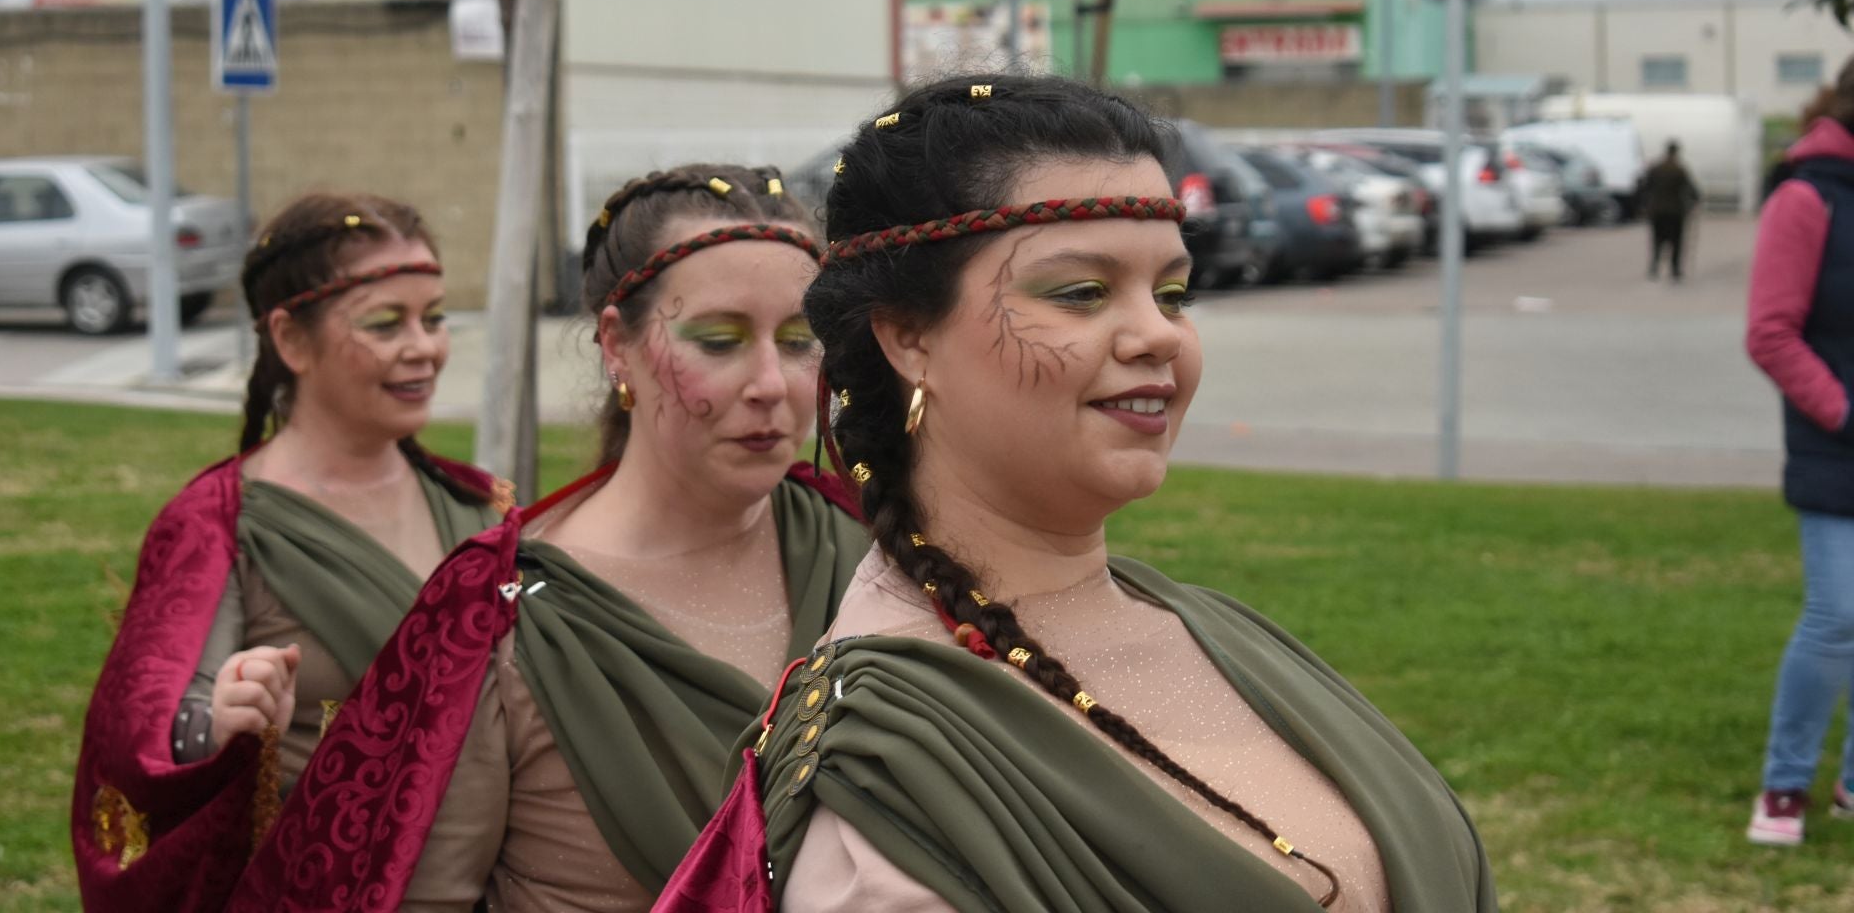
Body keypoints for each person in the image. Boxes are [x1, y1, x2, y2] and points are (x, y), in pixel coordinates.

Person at [655, 76, 1494, 913]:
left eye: (1173, 293)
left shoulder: (1208, 627)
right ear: (909, 336)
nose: (1159, 334)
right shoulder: (892, 786)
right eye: (1082, 292)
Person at [227, 164, 869, 913]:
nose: (772, 382)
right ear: (616, 347)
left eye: (799, 341)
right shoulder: (498, 619)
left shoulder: (871, 553)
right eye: (719, 340)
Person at [72, 193, 512, 912]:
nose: (424, 347)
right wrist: (222, 719)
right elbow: (147, 742)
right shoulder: (221, 523)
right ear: (291, 340)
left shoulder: (480, 507)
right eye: (385, 322)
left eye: (433, 318)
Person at [1747, 57, 1854, 845]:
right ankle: (1784, 786)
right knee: (1838, 614)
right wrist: (1844, 412)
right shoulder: (1805, 196)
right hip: (1836, 445)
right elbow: (1770, 331)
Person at [1640, 140, 1701, 281]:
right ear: (1676, 152)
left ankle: (1654, 267)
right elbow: (1693, 191)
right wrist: (1694, 202)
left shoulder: (1655, 167)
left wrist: (1644, 205)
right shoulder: (1679, 169)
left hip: (1657, 211)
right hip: (1675, 211)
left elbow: (1644, 188)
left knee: (1657, 239)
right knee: (1676, 241)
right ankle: (1675, 269)